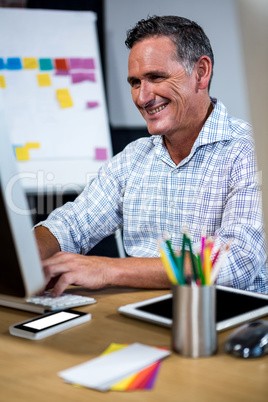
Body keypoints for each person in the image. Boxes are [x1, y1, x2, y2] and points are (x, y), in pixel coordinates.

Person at [35, 15, 268, 296]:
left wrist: (108, 269)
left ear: (201, 72)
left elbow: (237, 262)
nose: (142, 98)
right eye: (135, 82)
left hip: (226, 321)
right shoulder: (133, 158)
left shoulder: (251, 150)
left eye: (156, 77)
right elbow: (70, 226)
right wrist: (27, 257)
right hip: (137, 313)